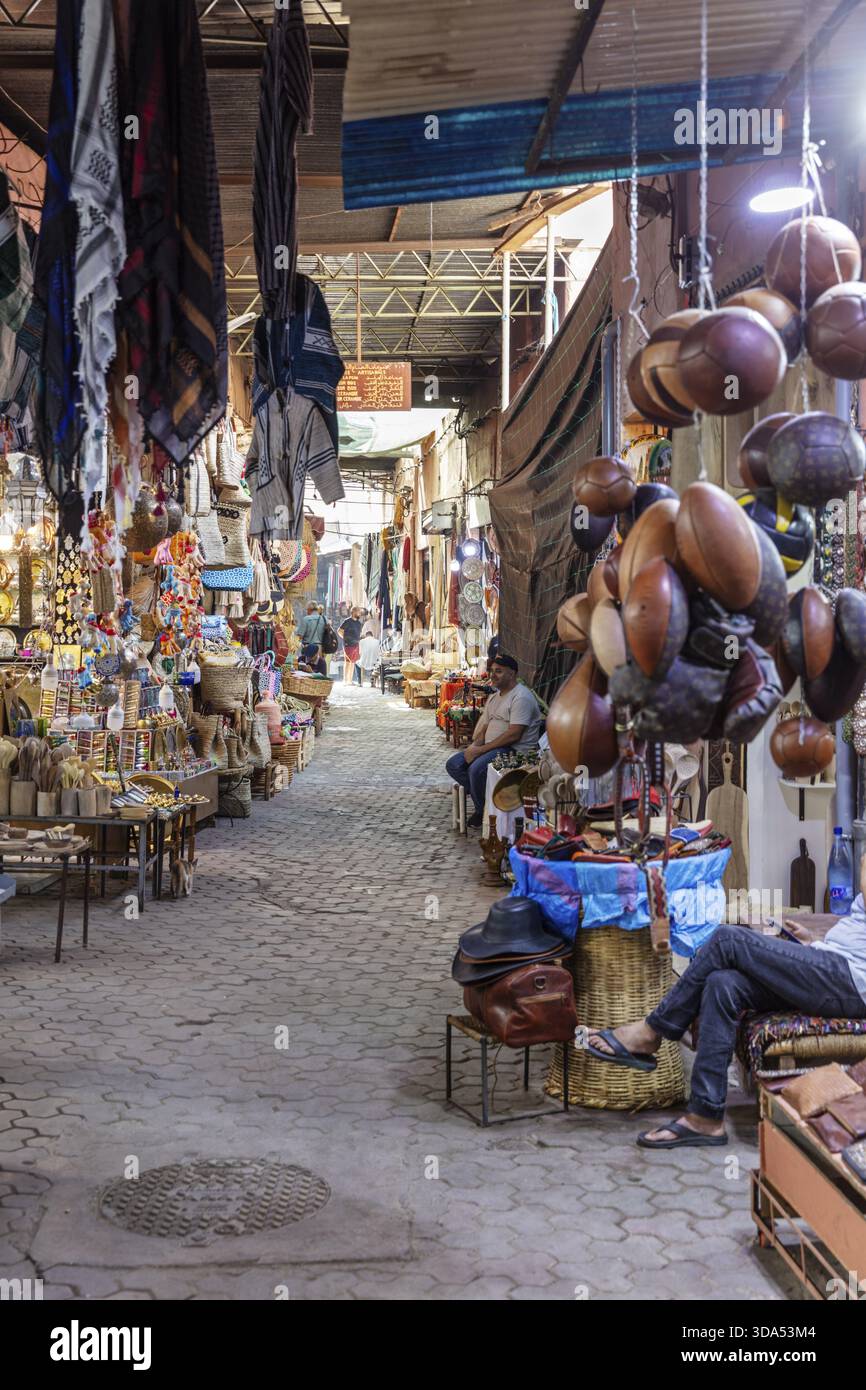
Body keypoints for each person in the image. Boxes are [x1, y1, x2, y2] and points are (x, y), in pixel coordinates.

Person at [584, 863, 866, 1150]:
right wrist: (815, 943)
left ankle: (651, 1031)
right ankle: (705, 1117)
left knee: (727, 939)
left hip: (852, 984)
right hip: (834, 964)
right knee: (723, 983)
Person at [445, 654, 543, 830]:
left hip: (513, 750)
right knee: (454, 764)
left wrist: (480, 751)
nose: (493, 675)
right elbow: (486, 726)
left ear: (512, 673)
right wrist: (475, 746)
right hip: (491, 747)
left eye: (499, 671)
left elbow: (514, 734)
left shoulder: (521, 697)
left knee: (476, 769)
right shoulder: (496, 697)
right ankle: (485, 799)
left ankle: (481, 809)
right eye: (492, 671)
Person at [297, 602, 326, 675]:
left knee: (305, 672)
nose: (307, 611)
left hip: (308, 649)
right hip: (320, 649)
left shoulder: (306, 619)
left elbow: (299, 636)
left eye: (307, 610)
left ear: (310, 609)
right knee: (320, 672)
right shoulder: (324, 619)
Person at [339, 606, 363, 685]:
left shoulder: (359, 623)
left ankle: (350, 680)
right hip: (348, 644)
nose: (360, 613)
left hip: (356, 644)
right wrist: (345, 638)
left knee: (353, 662)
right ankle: (345, 680)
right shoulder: (347, 621)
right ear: (353, 612)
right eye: (358, 611)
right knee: (347, 661)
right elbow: (339, 631)